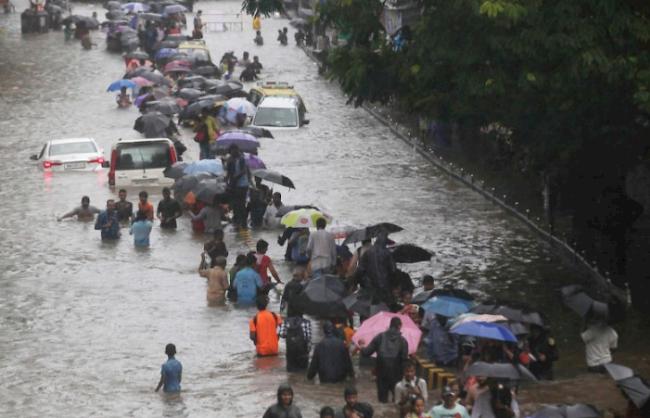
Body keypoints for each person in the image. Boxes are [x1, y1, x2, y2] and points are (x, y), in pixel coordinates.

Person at [359, 317, 409, 403]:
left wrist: (362, 346)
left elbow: (366, 353)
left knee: (382, 401)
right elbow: (404, 361)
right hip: (397, 374)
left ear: (390, 325)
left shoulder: (380, 337)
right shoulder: (403, 341)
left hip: (382, 373)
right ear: (400, 326)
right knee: (397, 400)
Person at [355, 232, 396, 305]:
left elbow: (360, 270)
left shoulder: (367, 253)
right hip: (385, 286)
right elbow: (393, 270)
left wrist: (361, 283)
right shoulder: (387, 253)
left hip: (370, 286)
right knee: (386, 306)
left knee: (372, 307)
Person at [225, 145, 251, 230]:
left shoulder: (241, 159)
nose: (234, 152)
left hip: (242, 184)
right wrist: (227, 181)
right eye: (232, 150)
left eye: (235, 150)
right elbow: (228, 173)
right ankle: (237, 221)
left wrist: (236, 177)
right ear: (230, 151)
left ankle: (243, 222)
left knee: (241, 204)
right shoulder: (229, 160)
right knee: (235, 204)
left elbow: (244, 171)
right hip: (234, 184)